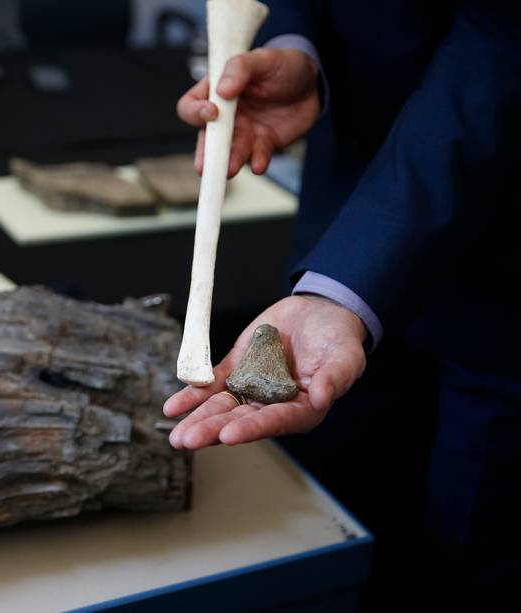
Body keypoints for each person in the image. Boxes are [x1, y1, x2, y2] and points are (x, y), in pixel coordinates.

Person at [163, 0, 521, 605]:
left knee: (467, 547)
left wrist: (340, 288)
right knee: (331, 510)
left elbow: (503, 47)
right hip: (347, 210)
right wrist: (299, 46)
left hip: (502, 274)